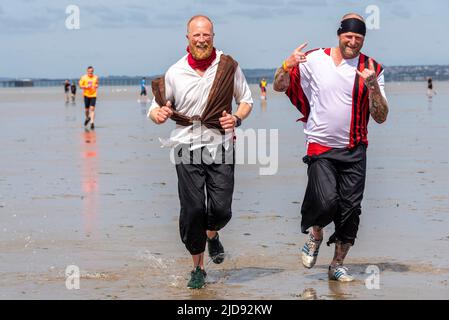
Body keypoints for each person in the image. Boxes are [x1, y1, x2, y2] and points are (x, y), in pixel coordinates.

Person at [273, 13, 389, 282]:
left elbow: (381, 116)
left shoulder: (372, 68)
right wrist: (285, 65)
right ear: (339, 34)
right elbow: (280, 86)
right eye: (348, 35)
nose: (353, 41)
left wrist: (372, 86)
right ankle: (315, 234)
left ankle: (337, 264)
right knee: (325, 201)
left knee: (350, 212)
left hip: (355, 149)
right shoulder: (314, 59)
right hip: (320, 146)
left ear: (364, 39)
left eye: (358, 37)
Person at [148, 15, 253, 289]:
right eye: (196, 35)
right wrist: (158, 114)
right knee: (193, 209)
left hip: (221, 146)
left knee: (221, 210)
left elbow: (246, 100)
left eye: (206, 35)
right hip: (185, 147)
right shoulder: (175, 72)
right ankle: (198, 268)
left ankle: (212, 234)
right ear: (187, 38)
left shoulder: (228, 66)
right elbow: (154, 108)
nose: (202, 39)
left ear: (213, 37)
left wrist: (237, 118)